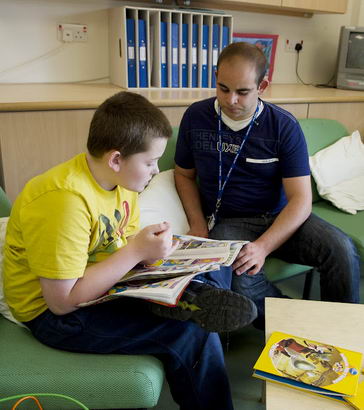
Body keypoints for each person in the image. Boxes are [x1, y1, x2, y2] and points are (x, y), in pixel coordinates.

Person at [3, 91, 258, 410]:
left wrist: (152, 254)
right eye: (150, 162)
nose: (155, 170)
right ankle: (174, 306)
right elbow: (61, 302)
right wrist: (137, 251)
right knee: (190, 336)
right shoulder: (64, 201)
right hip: (52, 315)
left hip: (104, 286)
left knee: (211, 270)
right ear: (115, 158)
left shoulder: (122, 183)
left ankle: (179, 296)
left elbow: (117, 248)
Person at [174, 42, 360, 327]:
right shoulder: (196, 117)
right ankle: (303, 324)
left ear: (263, 86)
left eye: (242, 92)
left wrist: (263, 246)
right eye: (223, 88)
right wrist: (198, 224)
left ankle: (345, 330)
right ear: (215, 77)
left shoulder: (283, 126)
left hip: (280, 218)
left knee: (342, 250)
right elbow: (184, 175)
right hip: (231, 224)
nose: (231, 100)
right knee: (244, 288)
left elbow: (300, 200)